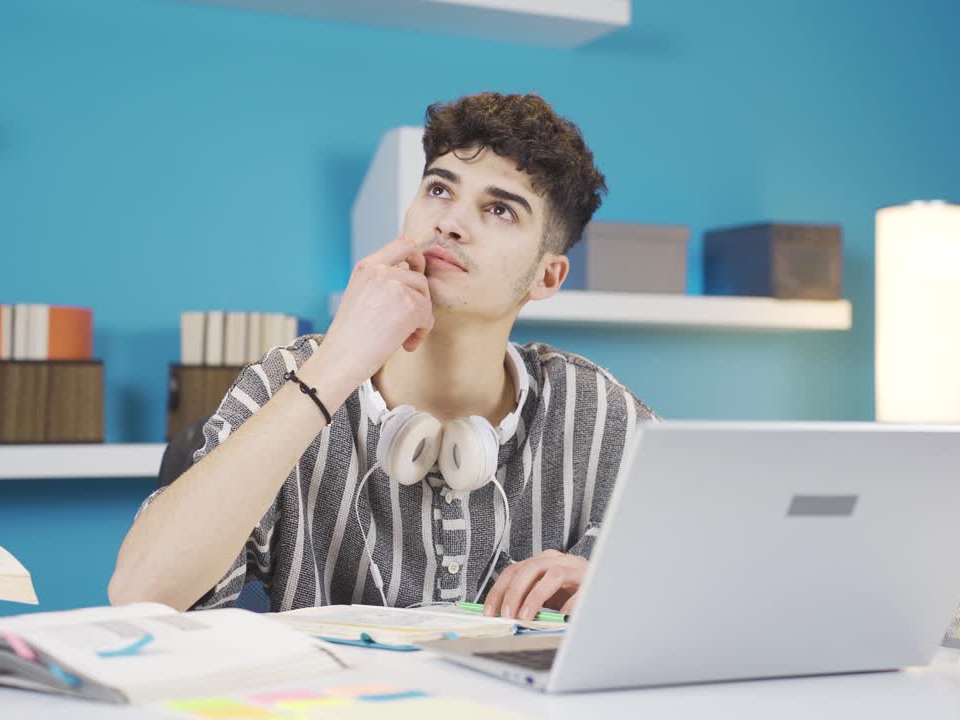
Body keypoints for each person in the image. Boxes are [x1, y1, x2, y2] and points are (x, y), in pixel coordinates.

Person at [109, 91, 657, 623]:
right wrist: (336, 364)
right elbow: (140, 594)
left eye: (499, 209)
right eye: (439, 189)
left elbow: (695, 591)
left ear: (547, 277)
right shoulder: (289, 377)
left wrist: (619, 587)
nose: (450, 223)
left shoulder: (600, 415)